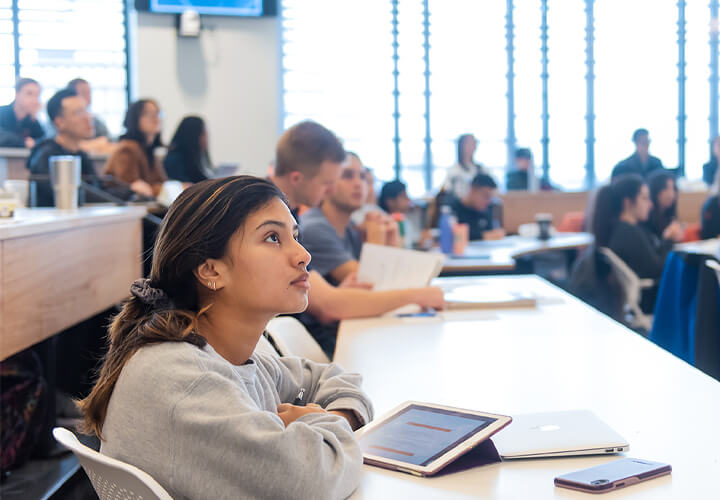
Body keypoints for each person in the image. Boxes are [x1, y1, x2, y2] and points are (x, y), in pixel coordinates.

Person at [77, 176, 373, 499]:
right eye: (273, 238)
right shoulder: (187, 380)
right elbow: (315, 480)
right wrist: (321, 422)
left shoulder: (229, 357)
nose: (303, 254)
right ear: (211, 271)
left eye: (295, 235)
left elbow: (322, 379)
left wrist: (333, 417)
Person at [269, 121, 444, 356]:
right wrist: (416, 295)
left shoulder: (290, 215)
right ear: (297, 178)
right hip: (301, 349)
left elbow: (325, 296)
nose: (329, 191)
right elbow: (330, 305)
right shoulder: (275, 217)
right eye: (327, 183)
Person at [301, 153, 399, 284]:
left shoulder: (351, 227)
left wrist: (391, 240)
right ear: (327, 183)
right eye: (347, 176)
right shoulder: (314, 229)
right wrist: (376, 241)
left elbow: (393, 279)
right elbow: (370, 283)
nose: (359, 184)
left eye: (363, 177)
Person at [592, 174, 675, 313]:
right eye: (645, 198)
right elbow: (656, 269)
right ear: (628, 202)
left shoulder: (623, 229)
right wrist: (669, 240)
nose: (650, 204)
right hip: (650, 299)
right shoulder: (628, 233)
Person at [26, 88, 98, 207]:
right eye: (79, 113)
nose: (88, 118)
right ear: (59, 122)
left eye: (87, 111)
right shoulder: (46, 154)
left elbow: (97, 190)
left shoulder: (81, 154)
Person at [104, 99, 167, 197]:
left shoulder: (148, 149)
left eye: (157, 113)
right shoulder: (127, 149)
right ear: (134, 118)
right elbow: (132, 187)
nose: (155, 118)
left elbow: (161, 183)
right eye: (148, 114)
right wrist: (165, 190)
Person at [450, 173, 505, 241]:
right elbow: (451, 236)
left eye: (490, 198)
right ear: (472, 190)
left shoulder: (487, 209)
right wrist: (483, 236)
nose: (488, 202)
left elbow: (491, 233)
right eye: (485, 196)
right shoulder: (453, 209)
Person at [163, 116, 213, 185]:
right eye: (203, 134)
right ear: (192, 136)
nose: (206, 138)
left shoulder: (198, 159)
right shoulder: (174, 160)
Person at [0, 78, 44, 148]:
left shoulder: (31, 120)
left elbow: (42, 141)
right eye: (29, 94)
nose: (35, 99)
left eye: (37, 95)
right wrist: (23, 142)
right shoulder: (2, 112)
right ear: (17, 94)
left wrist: (34, 119)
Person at [643, 169, 683, 243]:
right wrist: (667, 238)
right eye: (666, 189)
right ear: (655, 190)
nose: (671, 194)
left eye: (673, 189)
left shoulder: (669, 215)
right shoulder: (645, 218)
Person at [442, 133, 486, 198]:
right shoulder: (454, 170)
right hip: (458, 205)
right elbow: (447, 190)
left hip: (478, 207)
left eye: (473, 143)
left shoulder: (480, 169)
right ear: (461, 146)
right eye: (468, 143)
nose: (471, 146)